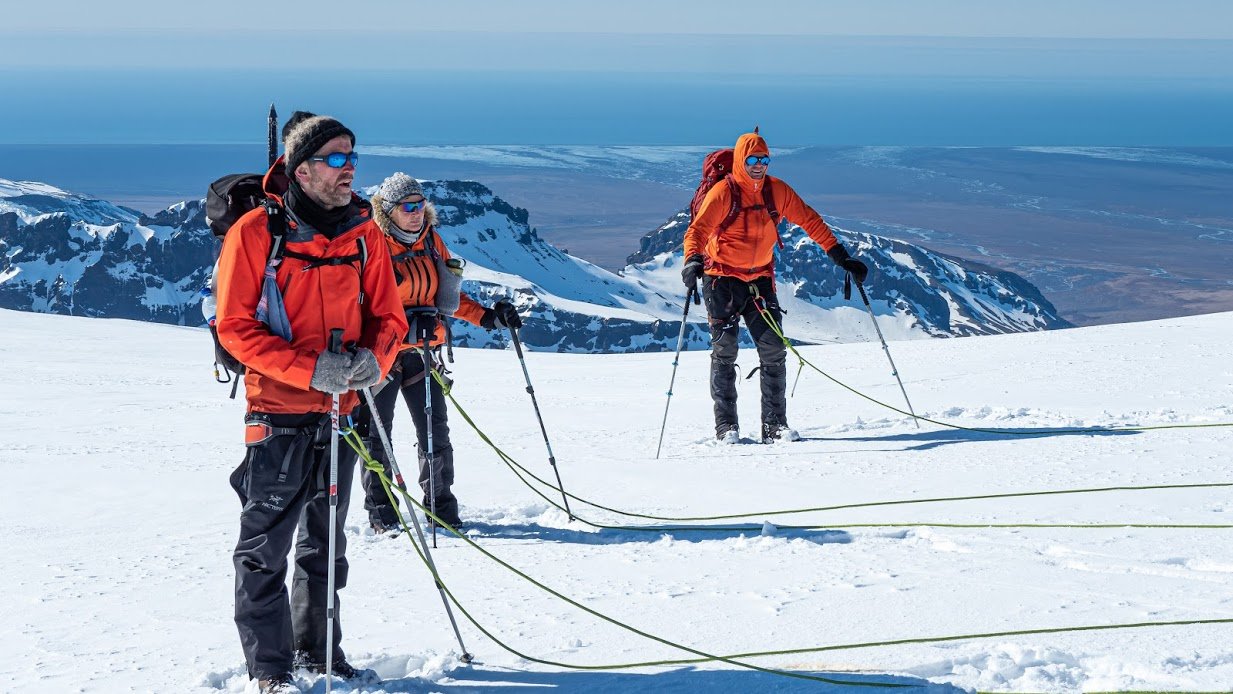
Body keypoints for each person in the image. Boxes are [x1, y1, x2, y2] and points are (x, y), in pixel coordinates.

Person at [215, 114, 407, 693]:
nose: (350, 169)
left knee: (326, 541)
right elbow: (235, 327)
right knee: (264, 549)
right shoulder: (256, 232)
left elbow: (389, 317)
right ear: (303, 168)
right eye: (337, 159)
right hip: (276, 413)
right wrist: (312, 371)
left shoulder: (365, 233)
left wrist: (375, 360)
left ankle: (322, 654)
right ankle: (270, 671)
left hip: (341, 410)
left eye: (353, 157)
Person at [357, 172, 522, 534]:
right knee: (376, 436)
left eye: (420, 205)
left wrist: (488, 318)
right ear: (387, 211)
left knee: (435, 432)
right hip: (381, 357)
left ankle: (441, 511)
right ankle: (383, 515)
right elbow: (360, 304)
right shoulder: (372, 245)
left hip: (423, 352)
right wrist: (401, 329)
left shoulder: (431, 242)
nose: (416, 213)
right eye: (408, 207)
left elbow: (449, 298)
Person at [681, 129, 869, 444]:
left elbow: (810, 220)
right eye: (753, 159)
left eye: (764, 159)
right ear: (741, 160)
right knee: (725, 352)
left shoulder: (776, 191)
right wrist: (692, 261)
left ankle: (775, 427)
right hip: (721, 279)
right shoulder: (724, 192)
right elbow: (697, 230)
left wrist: (841, 257)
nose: (759, 165)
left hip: (760, 280)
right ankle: (726, 427)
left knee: (773, 351)